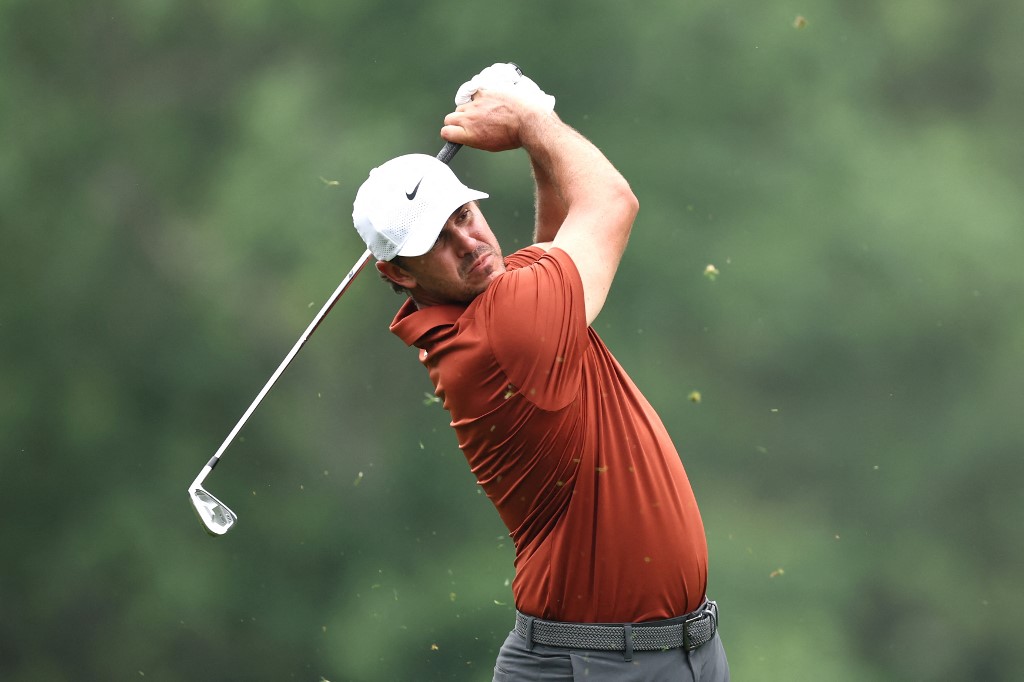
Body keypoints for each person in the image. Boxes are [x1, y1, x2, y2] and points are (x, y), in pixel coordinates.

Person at [352, 64, 729, 682]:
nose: (469, 241)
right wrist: (532, 120)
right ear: (398, 275)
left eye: (464, 215)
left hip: (619, 653)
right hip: (608, 663)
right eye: (437, 240)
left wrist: (536, 140)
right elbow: (612, 202)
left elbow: (554, 244)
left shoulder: (490, 311)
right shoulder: (505, 328)